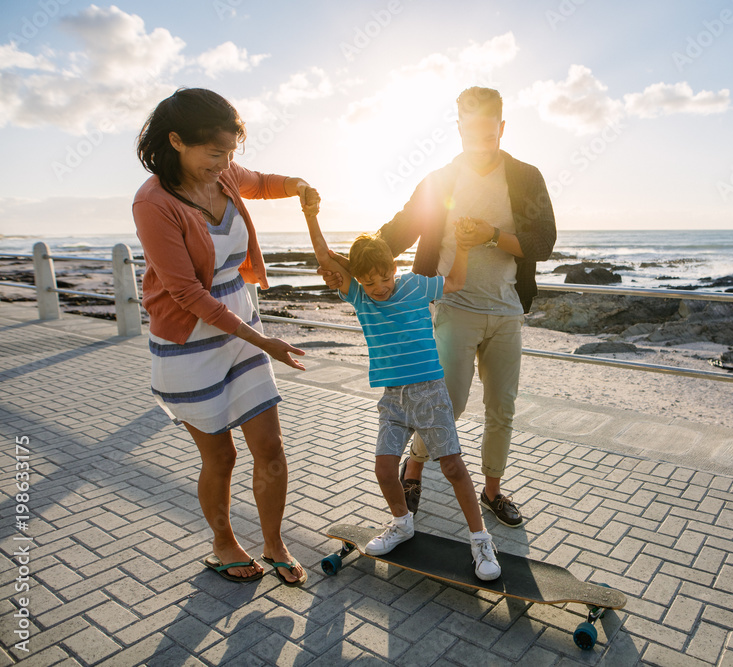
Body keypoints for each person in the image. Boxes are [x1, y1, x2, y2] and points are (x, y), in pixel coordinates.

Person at [324, 87, 556, 527]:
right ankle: (413, 470)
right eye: (471, 133)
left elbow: (543, 242)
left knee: (502, 407)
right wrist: (347, 265)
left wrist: (490, 234)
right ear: (458, 130)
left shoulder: (526, 177)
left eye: (489, 133)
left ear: (502, 128)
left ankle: (492, 491)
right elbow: (398, 231)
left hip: (508, 309)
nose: (480, 142)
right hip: (454, 307)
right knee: (447, 402)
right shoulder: (440, 181)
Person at [133, 88, 315, 586]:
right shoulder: (153, 203)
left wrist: (297, 185)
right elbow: (187, 292)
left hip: (243, 328)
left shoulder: (226, 174)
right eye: (215, 154)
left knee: (271, 449)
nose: (226, 164)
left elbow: (261, 182)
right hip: (191, 339)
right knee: (222, 457)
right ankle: (223, 543)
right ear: (176, 141)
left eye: (231, 153)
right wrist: (265, 343)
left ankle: (274, 543)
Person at [303, 207, 501, 581]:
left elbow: (456, 281)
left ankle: (480, 539)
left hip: (429, 393)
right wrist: (310, 213)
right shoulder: (360, 298)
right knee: (383, 468)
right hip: (393, 399)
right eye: (370, 280)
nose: (380, 286)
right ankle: (401, 523)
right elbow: (325, 256)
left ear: (394, 267)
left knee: (453, 466)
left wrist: (461, 245)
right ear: (359, 279)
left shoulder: (413, 284)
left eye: (384, 276)